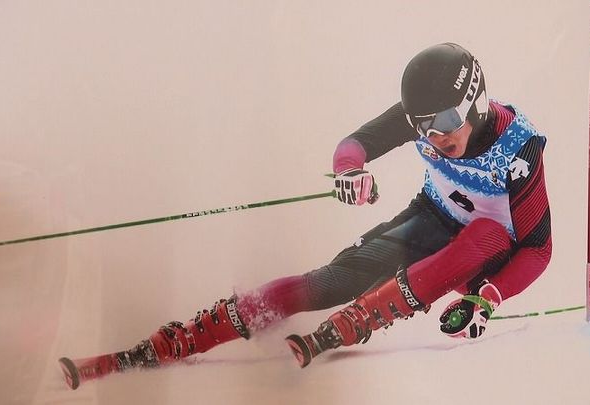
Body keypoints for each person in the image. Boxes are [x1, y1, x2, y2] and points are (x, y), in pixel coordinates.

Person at [59, 42, 552, 388]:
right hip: (432, 219)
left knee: (486, 231)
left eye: (445, 121)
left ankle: (362, 316)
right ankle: (182, 338)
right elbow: (354, 145)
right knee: (329, 281)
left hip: (489, 257)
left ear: (475, 104)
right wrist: (349, 172)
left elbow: (538, 249)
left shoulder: (518, 148)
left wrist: (488, 297)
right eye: (422, 125)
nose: (435, 135)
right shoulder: (427, 119)